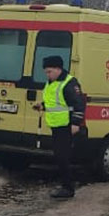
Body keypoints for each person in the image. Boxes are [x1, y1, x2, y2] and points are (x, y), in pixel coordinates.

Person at [34, 55, 86, 198]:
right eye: (46, 72)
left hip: (66, 125)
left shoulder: (69, 83)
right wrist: (42, 106)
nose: (47, 74)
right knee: (60, 156)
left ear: (58, 69)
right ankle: (66, 184)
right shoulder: (51, 82)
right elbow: (55, 103)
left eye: (49, 71)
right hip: (56, 125)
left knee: (62, 156)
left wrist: (76, 124)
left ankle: (68, 188)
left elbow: (79, 105)